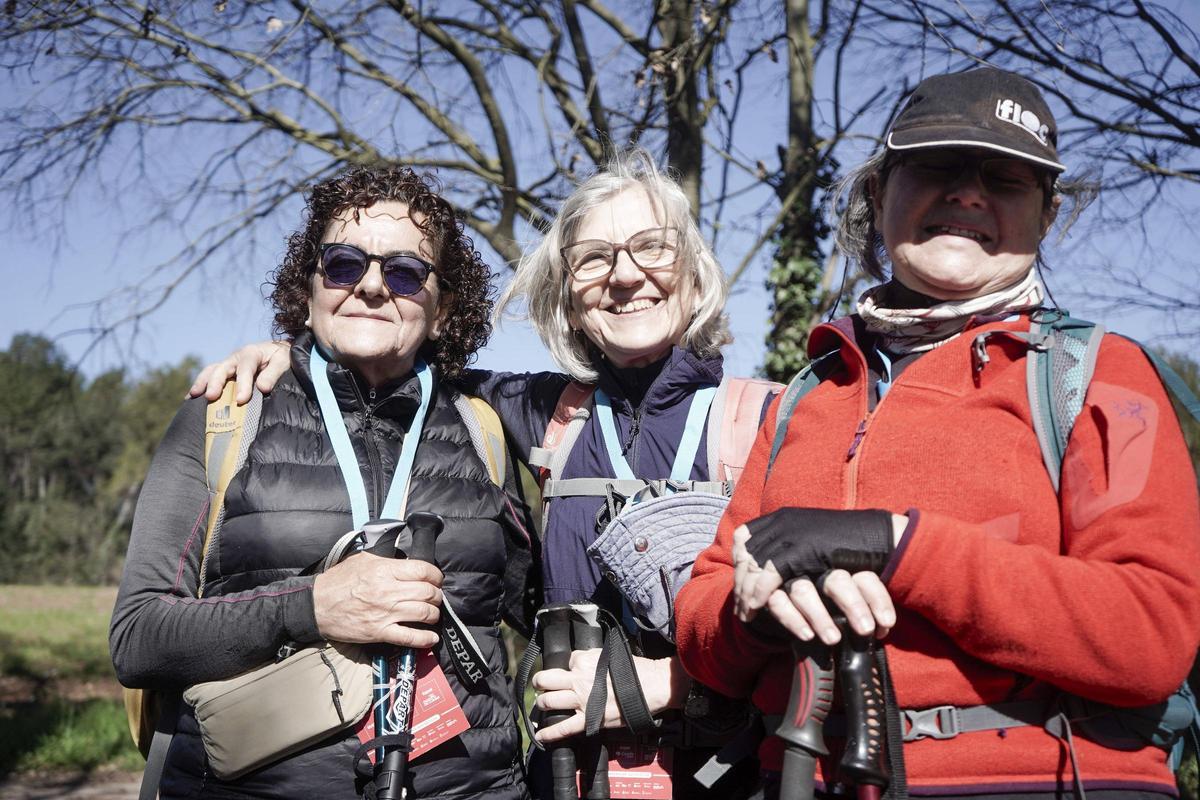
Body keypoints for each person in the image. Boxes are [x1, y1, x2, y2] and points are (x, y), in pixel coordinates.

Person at [674, 66, 1200, 798]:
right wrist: (750, 617)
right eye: (937, 166)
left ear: (1046, 217)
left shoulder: (1107, 379)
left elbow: (1148, 633)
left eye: (1007, 178)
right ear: (877, 193)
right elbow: (706, 606)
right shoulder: (808, 392)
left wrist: (901, 545)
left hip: (1040, 780)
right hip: (799, 774)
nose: (968, 192)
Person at [189, 149, 777, 797]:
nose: (625, 275)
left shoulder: (771, 421)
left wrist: (674, 685)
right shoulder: (545, 415)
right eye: (594, 258)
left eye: (651, 247)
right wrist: (291, 353)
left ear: (694, 274)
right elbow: (382, 351)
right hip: (567, 778)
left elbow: (839, 641)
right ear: (570, 298)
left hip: (733, 778)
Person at [111, 165, 536, 800]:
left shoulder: (484, 429)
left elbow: (539, 609)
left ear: (443, 310)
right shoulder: (226, 415)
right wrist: (315, 607)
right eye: (343, 264)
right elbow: (139, 637)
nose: (370, 285)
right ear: (309, 288)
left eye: (404, 273)